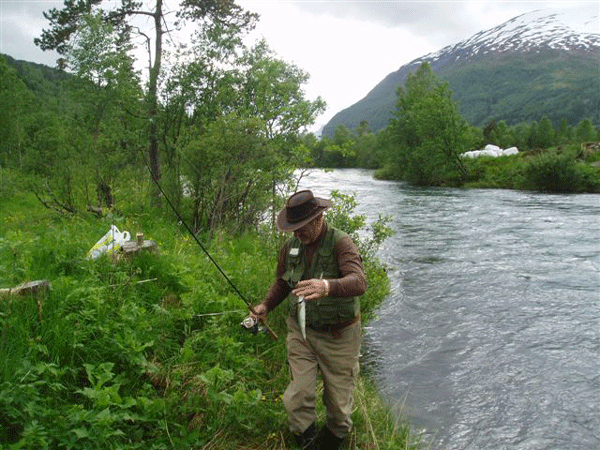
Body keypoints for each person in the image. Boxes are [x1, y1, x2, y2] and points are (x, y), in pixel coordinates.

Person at [252, 190, 367, 450]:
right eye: (293, 228)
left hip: (340, 336)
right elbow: (282, 282)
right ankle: (305, 442)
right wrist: (265, 306)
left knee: (338, 406)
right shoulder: (291, 247)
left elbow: (359, 282)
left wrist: (327, 286)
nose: (296, 234)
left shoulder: (342, 243)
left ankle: (332, 440)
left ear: (319, 218)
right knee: (299, 395)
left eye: (301, 228)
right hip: (301, 332)